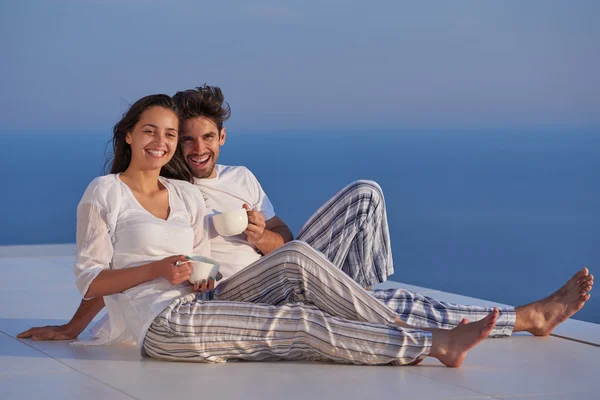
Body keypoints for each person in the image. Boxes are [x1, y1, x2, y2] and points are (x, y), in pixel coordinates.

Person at [19, 88, 594, 367]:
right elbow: (103, 270)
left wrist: (256, 233)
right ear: (130, 134)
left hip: (252, 274)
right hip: (214, 299)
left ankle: (502, 317)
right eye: (171, 136)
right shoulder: (140, 191)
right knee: (318, 296)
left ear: (221, 140)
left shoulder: (229, 183)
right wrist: (74, 328)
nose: (183, 147)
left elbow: (284, 237)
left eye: (195, 137)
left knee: (351, 211)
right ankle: (417, 331)